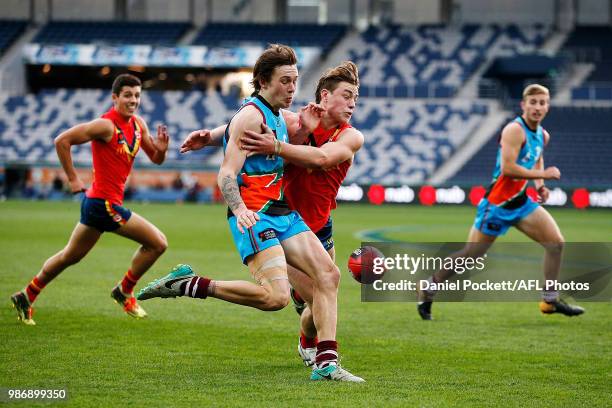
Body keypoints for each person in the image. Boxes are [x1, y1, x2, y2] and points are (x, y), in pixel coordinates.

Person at [136, 45, 363, 382]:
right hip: (257, 213)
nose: (292, 87)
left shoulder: (328, 129)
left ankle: (325, 364)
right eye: (285, 80)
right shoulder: (271, 115)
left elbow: (317, 156)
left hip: (299, 217)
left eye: (295, 81)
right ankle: (189, 284)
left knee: (327, 281)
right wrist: (237, 201)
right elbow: (234, 152)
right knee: (280, 299)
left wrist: (216, 136)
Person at [11, 73, 170, 325]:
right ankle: (124, 291)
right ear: (115, 97)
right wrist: (73, 179)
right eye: (127, 95)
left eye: (137, 95)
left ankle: (26, 295)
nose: (133, 100)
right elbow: (62, 141)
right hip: (104, 204)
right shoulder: (105, 126)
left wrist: (161, 150)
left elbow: (155, 158)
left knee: (69, 256)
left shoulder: (139, 125)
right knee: (158, 243)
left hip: (98, 204)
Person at [416, 84, 584, 320]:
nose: (537, 107)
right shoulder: (514, 130)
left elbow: (536, 158)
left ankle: (549, 300)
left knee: (556, 243)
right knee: (471, 256)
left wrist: (540, 186)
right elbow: (508, 169)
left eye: (542, 103)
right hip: (496, 206)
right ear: (523, 105)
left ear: (548, 106)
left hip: (521, 202)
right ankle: (429, 286)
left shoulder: (542, 135)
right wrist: (543, 176)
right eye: (533, 102)